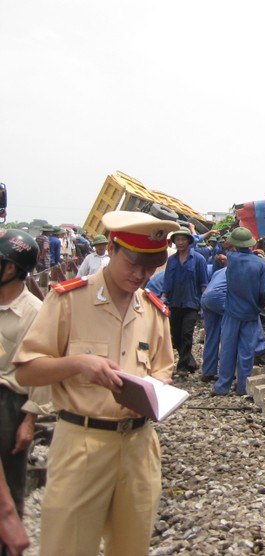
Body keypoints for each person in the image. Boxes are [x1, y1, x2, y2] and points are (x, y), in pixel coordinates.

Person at [14, 210, 179, 556]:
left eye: (150, 269)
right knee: (68, 548)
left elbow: (164, 370)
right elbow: (27, 370)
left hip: (139, 446)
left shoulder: (153, 311)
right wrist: (78, 364)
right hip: (82, 443)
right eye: (133, 264)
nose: (140, 276)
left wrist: (154, 388)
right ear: (114, 249)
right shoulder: (69, 300)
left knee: (131, 548)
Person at [0, 230, 52, 525]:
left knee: (9, 488)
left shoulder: (34, 313)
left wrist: (29, 422)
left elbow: (41, 371)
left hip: (9, 406)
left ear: (10, 268)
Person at [213, 227, 265, 396]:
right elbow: (264, 292)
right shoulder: (260, 264)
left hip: (231, 312)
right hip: (251, 313)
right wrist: (258, 307)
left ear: (235, 243)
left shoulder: (231, 258)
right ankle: (242, 388)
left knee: (227, 350)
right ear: (250, 244)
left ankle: (222, 387)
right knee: (246, 353)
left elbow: (222, 249)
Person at [161, 227, 208, 375]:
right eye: (178, 239)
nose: (180, 242)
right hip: (174, 303)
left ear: (189, 241)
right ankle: (190, 362)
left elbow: (203, 283)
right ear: (174, 241)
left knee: (187, 334)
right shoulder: (171, 260)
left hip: (191, 303)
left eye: (183, 239)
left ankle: (181, 367)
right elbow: (167, 281)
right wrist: (163, 298)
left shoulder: (198, 260)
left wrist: (204, 304)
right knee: (176, 335)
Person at [200, 264, 227, 382]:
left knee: (211, 335)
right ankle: (227, 374)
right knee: (231, 332)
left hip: (206, 298)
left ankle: (208, 372)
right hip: (219, 297)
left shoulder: (220, 271)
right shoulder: (245, 269)